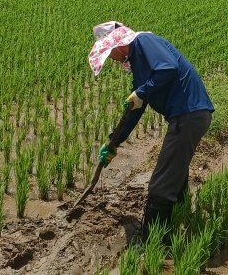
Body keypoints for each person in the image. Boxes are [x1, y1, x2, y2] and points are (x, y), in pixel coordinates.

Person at [87, 20, 213, 240]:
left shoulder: (144, 42)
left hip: (189, 115)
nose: (114, 61)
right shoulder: (138, 62)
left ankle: (153, 243)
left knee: (160, 186)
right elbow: (134, 110)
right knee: (175, 174)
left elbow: (168, 68)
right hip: (189, 116)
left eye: (110, 55)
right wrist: (112, 143)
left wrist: (142, 91)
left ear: (116, 45)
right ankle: (180, 217)